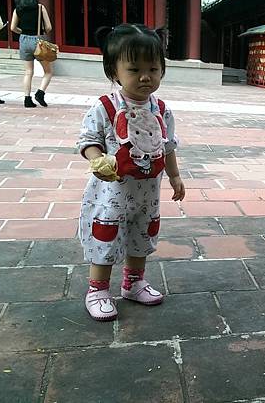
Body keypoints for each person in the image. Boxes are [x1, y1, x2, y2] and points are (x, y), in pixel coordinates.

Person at [77, 23, 185, 321]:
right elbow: (89, 140)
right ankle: (98, 290)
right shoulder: (106, 107)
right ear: (114, 72)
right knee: (107, 235)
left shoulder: (161, 109)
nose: (145, 76)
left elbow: (168, 146)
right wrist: (98, 159)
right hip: (112, 193)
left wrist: (175, 176)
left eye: (153, 68)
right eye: (135, 69)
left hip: (147, 193)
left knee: (142, 233)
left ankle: (133, 282)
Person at [10, 0, 53, 108]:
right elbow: (49, 27)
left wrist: (22, 32)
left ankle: (27, 99)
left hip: (23, 40)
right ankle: (40, 93)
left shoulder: (17, 9)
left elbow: (13, 27)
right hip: (37, 41)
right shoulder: (40, 8)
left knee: (28, 72)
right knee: (48, 72)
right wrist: (41, 32)